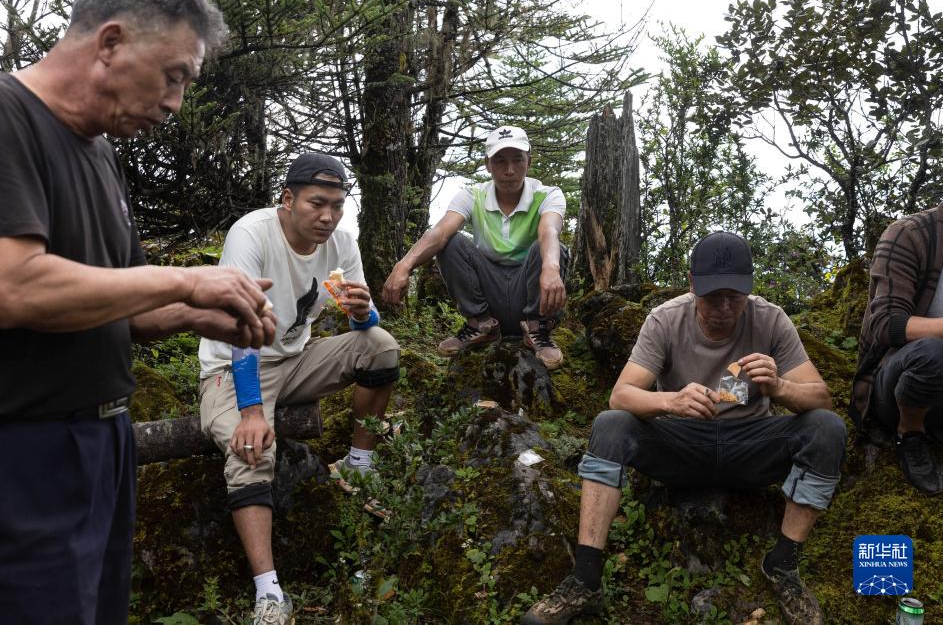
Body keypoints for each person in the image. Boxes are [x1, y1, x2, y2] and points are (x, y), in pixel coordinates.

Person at [0, 0, 278, 625]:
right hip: (8, 450)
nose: (175, 102)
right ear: (110, 42)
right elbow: (12, 287)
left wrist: (203, 314)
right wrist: (187, 278)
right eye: (174, 75)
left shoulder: (98, 152)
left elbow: (127, 304)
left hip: (100, 441)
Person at [522, 232, 846, 625]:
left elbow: (821, 398)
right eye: (713, 297)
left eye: (734, 297)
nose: (724, 308)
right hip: (682, 444)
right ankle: (585, 578)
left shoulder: (771, 319)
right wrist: (670, 401)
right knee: (611, 426)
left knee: (826, 428)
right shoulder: (665, 319)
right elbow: (620, 396)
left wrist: (780, 387)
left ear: (749, 288)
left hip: (750, 445)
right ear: (692, 284)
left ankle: (782, 564)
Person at [197, 152, 400, 624]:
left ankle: (358, 465)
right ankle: (269, 594)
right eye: (316, 203)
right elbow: (240, 326)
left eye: (337, 205)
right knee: (251, 450)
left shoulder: (341, 242)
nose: (328, 216)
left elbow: (365, 320)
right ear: (288, 199)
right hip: (234, 364)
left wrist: (363, 313)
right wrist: (252, 413)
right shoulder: (252, 233)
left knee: (380, 347)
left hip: (295, 359)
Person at [381, 125, 568, 368]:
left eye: (517, 159)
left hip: (530, 292)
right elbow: (440, 232)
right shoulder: (473, 195)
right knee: (451, 242)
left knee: (549, 247)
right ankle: (481, 324)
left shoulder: (548, 194)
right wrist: (403, 266)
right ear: (487, 164)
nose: (509, 170)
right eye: (499, 161)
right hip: (490, 293)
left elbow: (549, 230)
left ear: (529, 162)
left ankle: (538, 330)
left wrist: (551, 268)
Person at [852, 202, 943, 495]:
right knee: (933, 354)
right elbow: (886, 324)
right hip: (897, 382)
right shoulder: (909, 234)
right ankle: (910, 433)